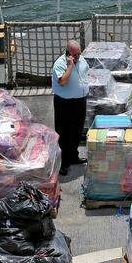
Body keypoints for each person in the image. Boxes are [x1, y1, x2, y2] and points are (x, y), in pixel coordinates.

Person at [51, 40, 89, 175]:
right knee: (64, 133)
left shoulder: (82, 59)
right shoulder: (60, 64)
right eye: (75, 55)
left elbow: (84, 73)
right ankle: (64, 162)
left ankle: (73, 156)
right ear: (68, 54)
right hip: (65, 103)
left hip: (79, 101)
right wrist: (70, 66)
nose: (78, 56)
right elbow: (62, 82)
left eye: (79, 53)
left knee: (77, 130)